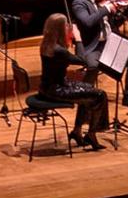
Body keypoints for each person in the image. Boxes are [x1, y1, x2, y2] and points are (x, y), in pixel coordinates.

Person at [38, 12, 110, 150]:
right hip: (57, 90)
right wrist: (78, 39)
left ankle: (77, 131)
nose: (68, 27)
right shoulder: (59, 51)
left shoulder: (46, 44)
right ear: (59, 29)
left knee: (88, 90)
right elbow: (83, 60)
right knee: (100, 95)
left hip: (47, 87)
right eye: (66, 25)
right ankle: (91, 134)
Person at [70, 0, 128, 107]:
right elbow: (88, 22)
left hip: (110, 44)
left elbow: (116, 23)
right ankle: (84, 95)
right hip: (93, 46)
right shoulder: (79, 3)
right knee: (92, 65)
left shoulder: (105, 2)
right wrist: (106, 9)